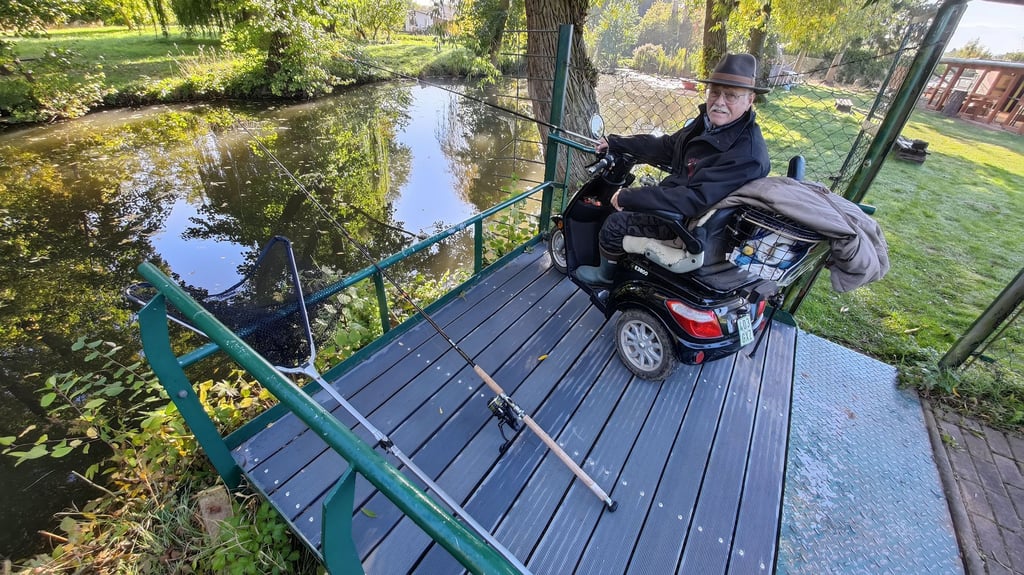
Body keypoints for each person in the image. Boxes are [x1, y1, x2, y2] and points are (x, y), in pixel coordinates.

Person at [576, 53, 771, 286]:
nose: (719, 101)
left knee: (613, 224)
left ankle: (604, 278)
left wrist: (631, 196)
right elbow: (667, 146)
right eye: (715, 92)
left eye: (730, 95)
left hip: (689, 225)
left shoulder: (746, 155)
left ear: (750, 100)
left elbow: (693, 199)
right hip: (683, 206)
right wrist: (617, 143)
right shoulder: (708, 125)